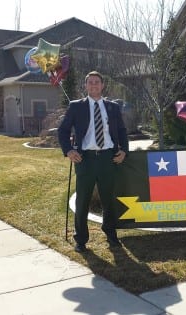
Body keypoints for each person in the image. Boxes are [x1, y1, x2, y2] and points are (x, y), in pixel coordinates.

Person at [58, 71, 128, 253]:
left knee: (108, 200)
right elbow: (63, 131)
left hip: (108, 158)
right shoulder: (76, 107)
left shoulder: (112, 107)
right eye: (90, 82)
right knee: (83, 200)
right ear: (86, 86)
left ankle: (111, 234)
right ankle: (81, 239)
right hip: (85, 159)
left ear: (102, 85)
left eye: (97, 82)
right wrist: (69, 150)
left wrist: (124, 151)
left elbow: (121, 130)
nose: (94, 85)